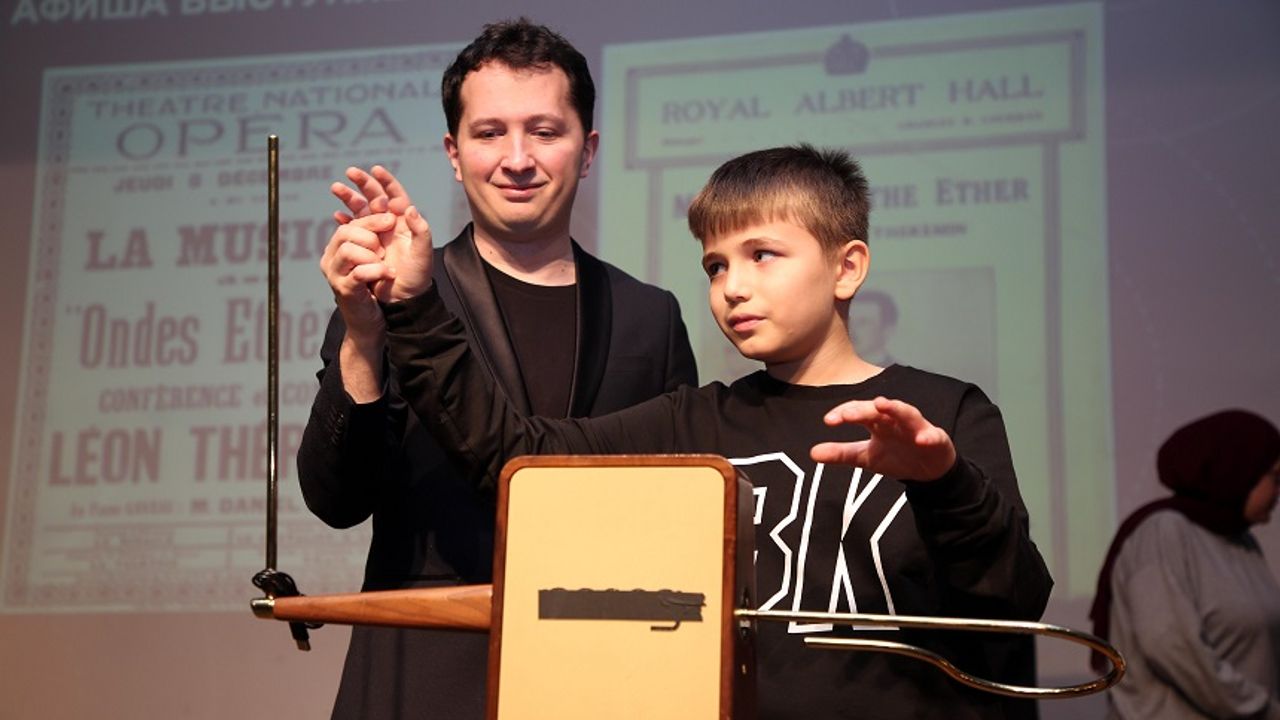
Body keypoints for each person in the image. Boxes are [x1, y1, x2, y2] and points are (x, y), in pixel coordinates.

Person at [341, 143, 1052, 719]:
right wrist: (416, 305)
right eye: (716, 265)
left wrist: (943, 482)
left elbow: (1017, 598)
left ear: (847, 267)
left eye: (762, 255)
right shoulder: (694, 422)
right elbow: (521, 457)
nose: (731, 287)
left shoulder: (946, 411)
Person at [296, 18, 698, 720]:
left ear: (587, 150)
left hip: (600, 674)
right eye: (489, 133)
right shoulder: (392, 291)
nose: (517, 159)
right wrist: (362, 335)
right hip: (422, 669)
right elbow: (336, 500)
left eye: (544, 131)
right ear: (454, 155)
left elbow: (679, 518)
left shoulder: (649, 315)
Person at [1090, 410, 1280, 720]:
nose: (1278, 491)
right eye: (1275, 477)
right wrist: (1261, 709)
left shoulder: (1242, 541)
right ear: (1239, 469)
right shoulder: (1164, 532)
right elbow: (1170, 647)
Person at [848, 288, 898, 366]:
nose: (851, 330)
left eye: (862, 323)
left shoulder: (901, 373)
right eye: (849, 322)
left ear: (887, 331)